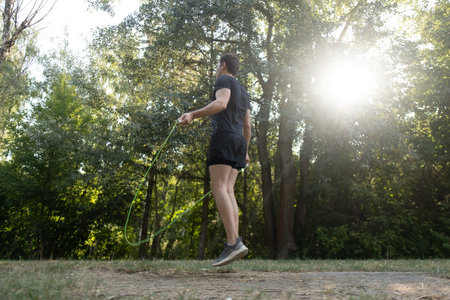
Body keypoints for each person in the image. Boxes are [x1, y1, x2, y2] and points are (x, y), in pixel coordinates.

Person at [178, 53, 251, 267]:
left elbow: (220, 103)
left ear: (223, 65)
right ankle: (235, 243)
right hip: (238, 140)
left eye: (218, 65)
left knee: (218, 187)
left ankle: (233, 243)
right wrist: (245, 150)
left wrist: (192, 114)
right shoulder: (244, 91)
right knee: (228, 190)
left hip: (224, 137)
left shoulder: (223, 80)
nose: (217, 69)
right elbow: (247, 125)